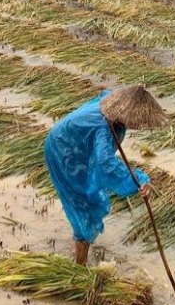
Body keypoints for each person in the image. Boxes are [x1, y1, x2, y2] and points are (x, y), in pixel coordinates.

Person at [43, 86, 167, 265]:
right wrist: (139, 179)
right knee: (83, 204)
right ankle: (80, 268)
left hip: (70, 141)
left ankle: (80, 255)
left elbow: (106, 92)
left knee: (84, 202)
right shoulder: (103, 130)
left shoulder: (111, 103)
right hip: (62, 150)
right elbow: (106, 166)